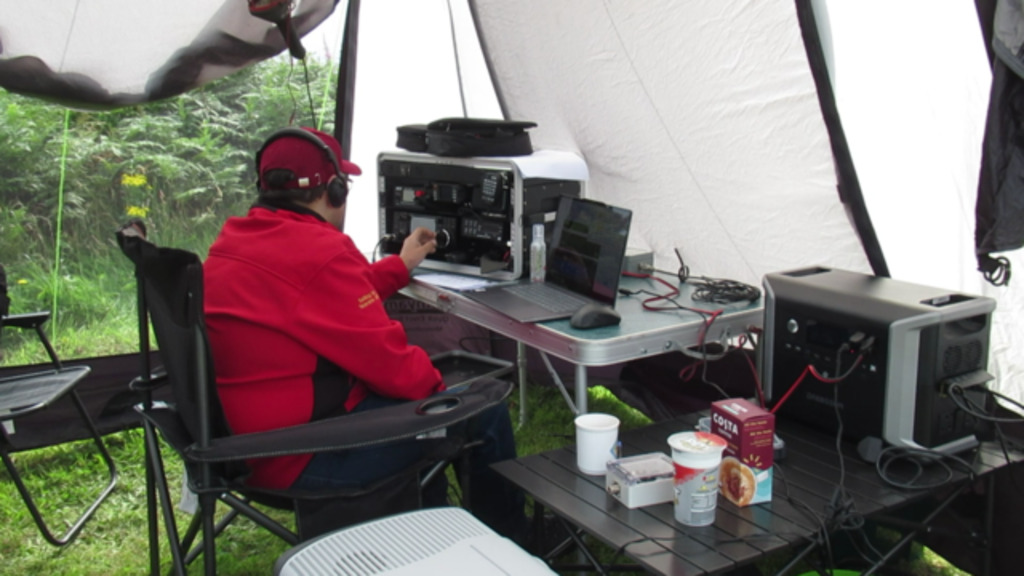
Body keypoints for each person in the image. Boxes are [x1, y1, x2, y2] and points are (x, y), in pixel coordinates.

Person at [203, 126, 526, 540]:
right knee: (482, 409)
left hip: (237, 448)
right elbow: (397, 372)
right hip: (302, 453)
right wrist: (446, 394)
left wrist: (398, 266)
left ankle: (434, 525)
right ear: (334, 191)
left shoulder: (237, 238)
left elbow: (315, 299)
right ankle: (511, 542)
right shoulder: (321, 253)